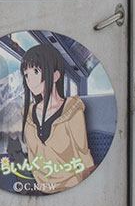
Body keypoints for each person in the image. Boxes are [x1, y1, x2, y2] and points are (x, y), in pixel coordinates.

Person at [18, 42, 94, 193]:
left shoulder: (72, 110)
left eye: (35, 72)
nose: (29, 80)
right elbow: (32, 155)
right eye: (26, 75)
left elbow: (84, 155)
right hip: (40, 188)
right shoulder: (27, 112)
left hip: (71, 189)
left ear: (55, 76)